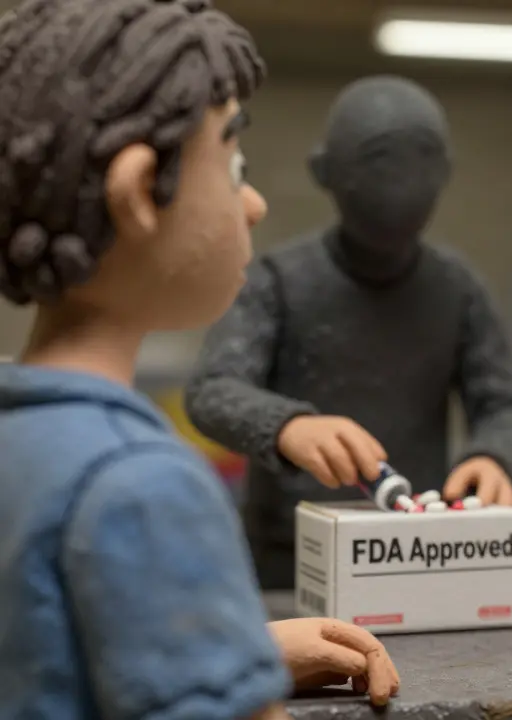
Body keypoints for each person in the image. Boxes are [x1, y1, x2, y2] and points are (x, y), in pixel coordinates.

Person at [0, 0, 399, 716]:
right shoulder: (143, 483)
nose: (254, 205)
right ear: (138, 194)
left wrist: (228, 653)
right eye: (233, 165)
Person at [184, 75, 512, 590]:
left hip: (414, 551)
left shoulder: (456, 288)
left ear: (444, 171)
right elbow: (212, 389)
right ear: (325, 172)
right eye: (379, 160)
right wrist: (287, 427)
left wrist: (493, 456)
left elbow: (509, 403)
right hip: (289, 559)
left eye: (420, 159)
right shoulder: (278, 280)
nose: (401, 181)